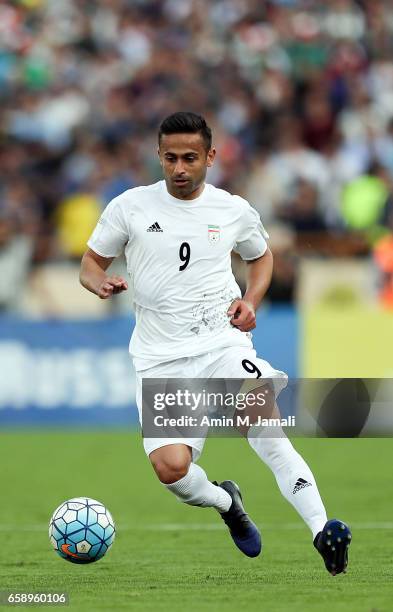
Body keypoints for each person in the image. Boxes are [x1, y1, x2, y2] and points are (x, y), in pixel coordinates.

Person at [80, 111, 351, 574]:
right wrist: (99, 283)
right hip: (162, 359)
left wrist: (251, 299)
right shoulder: (130, 207)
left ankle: (322, 530)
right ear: (158, 156)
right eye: (170, 158)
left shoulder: (232, 209)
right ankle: (228, 503)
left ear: (210, 156)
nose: (180, 168)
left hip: (222, 344)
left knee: (262, 423)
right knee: (172, 471)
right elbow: (90, 263)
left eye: (190, 157)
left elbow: (261, 257)